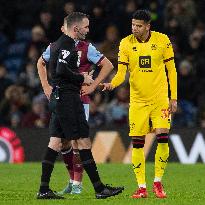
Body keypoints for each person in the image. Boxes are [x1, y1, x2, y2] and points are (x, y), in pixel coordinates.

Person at [36, 12, 124, 200]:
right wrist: (81, 77)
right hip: (69, 98)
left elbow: (57, 68)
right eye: (85, 27)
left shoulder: (58, 44)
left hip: (60, 98)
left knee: (56, 142)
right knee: (83, 141)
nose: (88, 30)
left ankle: (43, 189)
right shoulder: (68, 45)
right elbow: (60, 70)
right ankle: (99, 189)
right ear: (76, 29)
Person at [93, 10, 177, 199]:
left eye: (138, 26)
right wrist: (112, 84)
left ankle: (158, 183)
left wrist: (174, 98)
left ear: (148, 26)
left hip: (160, 99)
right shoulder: (125, 43)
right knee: (137, 143)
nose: (134, 28)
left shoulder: (162, 40)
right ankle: (141, 187)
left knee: (162, 136)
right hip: (138, 101)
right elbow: (122, 73)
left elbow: (171, 70)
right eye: (132, 25)